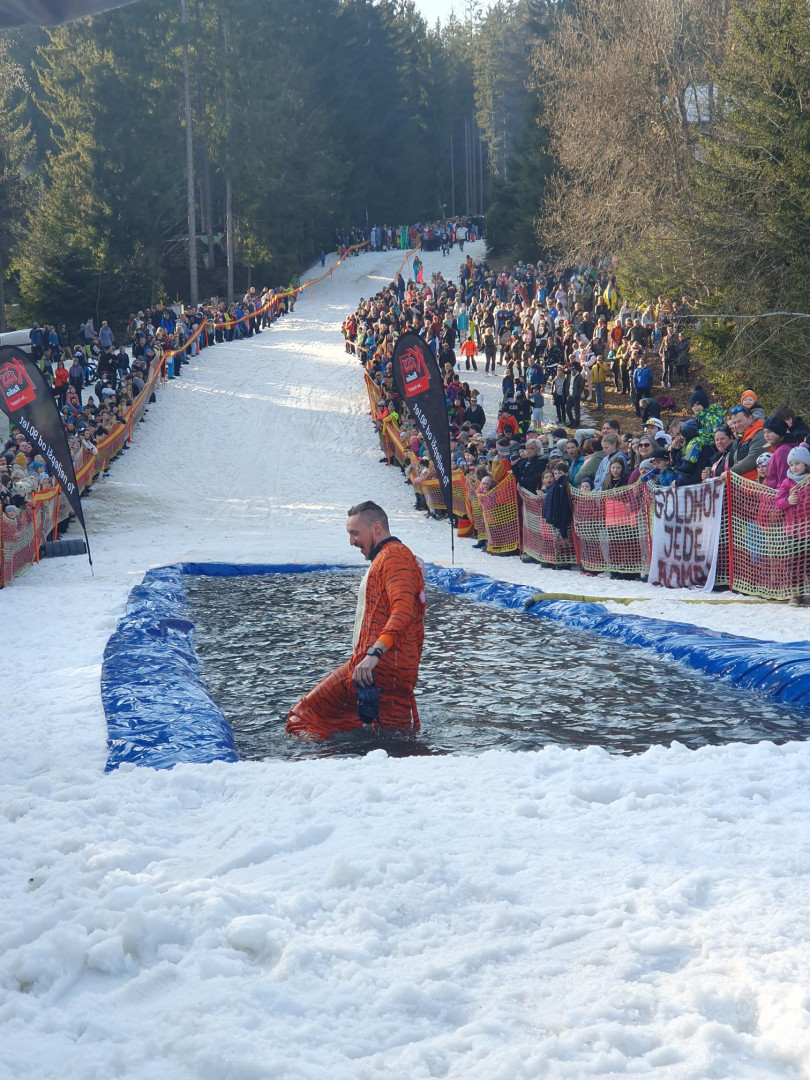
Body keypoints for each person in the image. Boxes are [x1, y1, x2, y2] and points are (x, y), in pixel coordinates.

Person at [287, 502, 425, 738]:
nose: (352, 541)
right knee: (390, 736)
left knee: (304, 716)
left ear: (377, 528)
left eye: (355, 533)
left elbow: (403, 612)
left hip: (381, 669)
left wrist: (374, 654)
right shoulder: (393, 557)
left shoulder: (394, 557)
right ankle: (353, 762)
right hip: (375, 670)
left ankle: (333, 768)